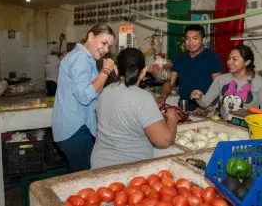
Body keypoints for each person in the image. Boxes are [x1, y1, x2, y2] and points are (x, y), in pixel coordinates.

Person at [90, 48, 179, 169]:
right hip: (128, 172)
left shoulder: (105, 91)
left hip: (99, 165)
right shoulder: (142, 97)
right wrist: (173, 118)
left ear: (116, 70)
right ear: (143, 71)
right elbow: (164, 140)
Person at [52, 23, 116, 172]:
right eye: (104, 43)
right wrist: (106, 70)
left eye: (109, 46)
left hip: (75, 128)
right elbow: (85, 96)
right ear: (91, 36)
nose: (106, 50)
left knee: (78, 177)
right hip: (75, 130)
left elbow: (93, 88)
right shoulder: (80, 58)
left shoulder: (87, 58)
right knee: (85, 180)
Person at [190, 45, 262, 120]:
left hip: (249, 127)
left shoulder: (260, 83)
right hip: (226, 125)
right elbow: (205, 103)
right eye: (229, 58)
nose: (229, 62)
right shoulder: (221, 80)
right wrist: (200, 97)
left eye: (235, 59)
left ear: (247, 62)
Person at [157, 24, 223, 114]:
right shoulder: (180, 58)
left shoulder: (212, 57)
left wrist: (207, 108)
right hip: (183, 108)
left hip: (205, 110)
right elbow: (170, 82)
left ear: (203, 40)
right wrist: (163, 96)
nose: (191, 42)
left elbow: (218, 86)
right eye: (187, 39)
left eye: (195, 38)